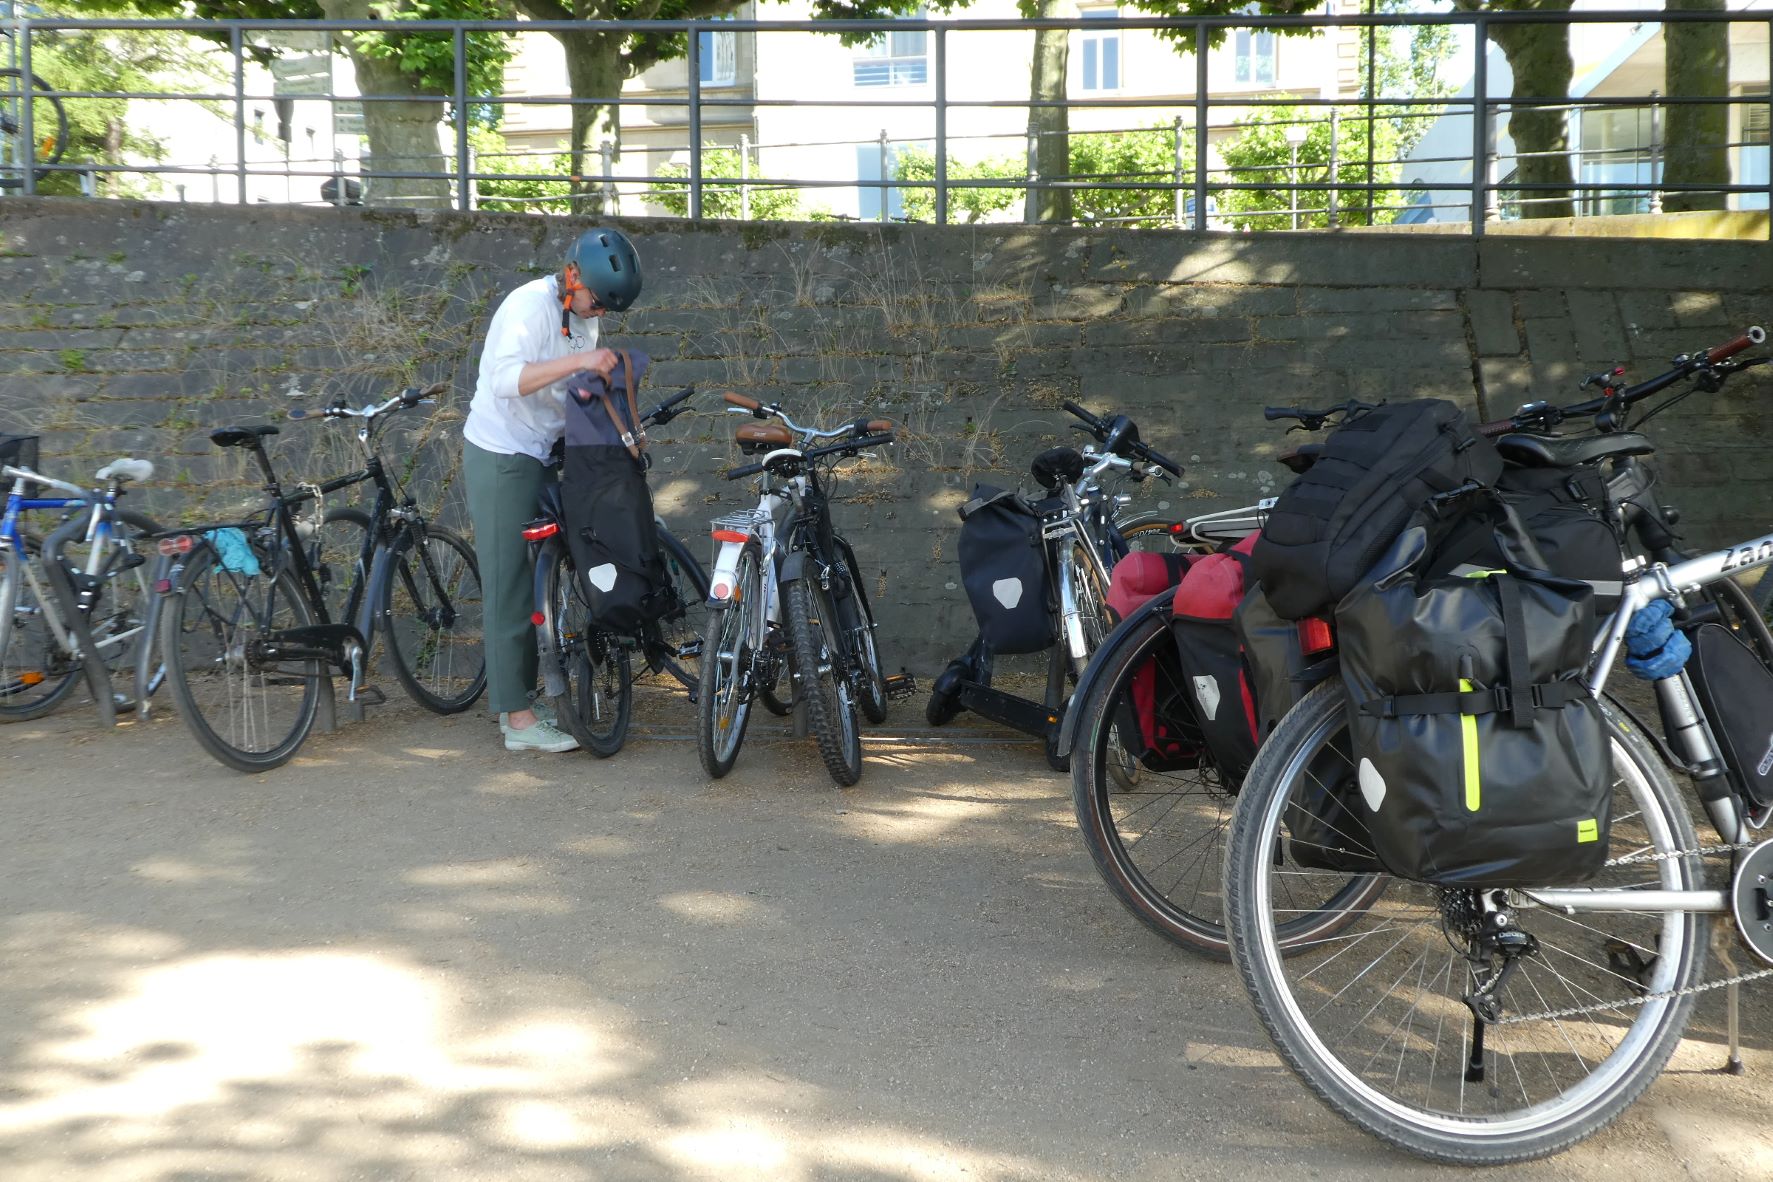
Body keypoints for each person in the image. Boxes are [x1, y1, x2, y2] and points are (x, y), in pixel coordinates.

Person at [463, 228, 644, 752]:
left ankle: (520, 696)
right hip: (501, 455)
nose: (599, 315)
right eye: (596, 301)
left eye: (608, 309)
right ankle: (516, 722)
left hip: (541, 452)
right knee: (509, 587)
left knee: (537, 578)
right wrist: (582, 362)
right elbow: (506, 380)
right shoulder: (527, 307)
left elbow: (569, 395)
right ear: (572, 277)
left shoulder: (582, 321)